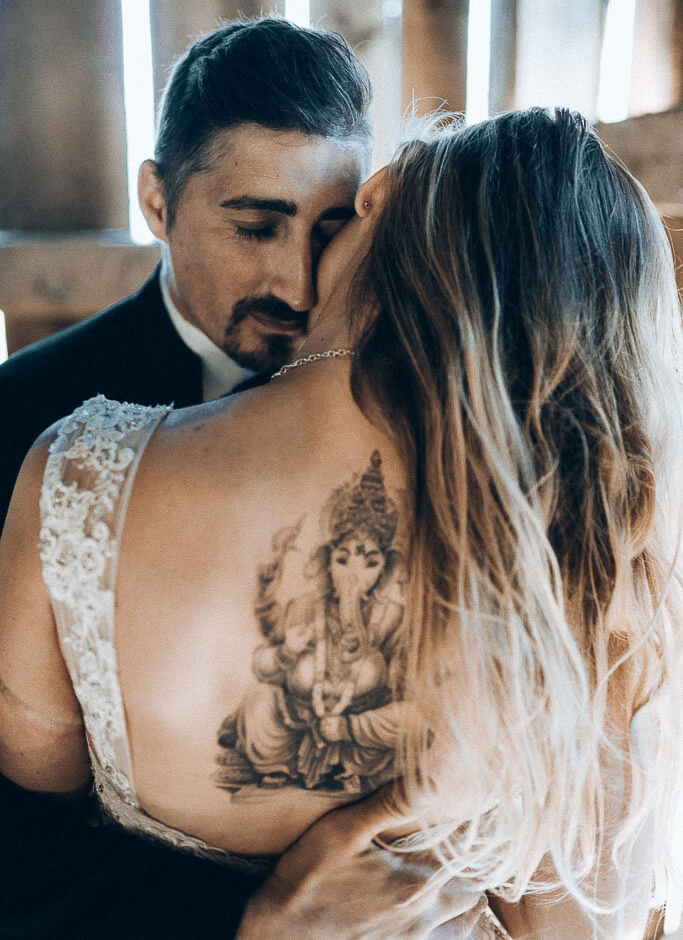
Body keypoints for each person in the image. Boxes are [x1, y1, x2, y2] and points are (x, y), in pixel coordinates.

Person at [1, 106, 679, 939]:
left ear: (379, 196)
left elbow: (37, 781)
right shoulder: (588, 556)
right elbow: (579, 923)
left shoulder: (79, 475)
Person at [0, 16, 485, 940]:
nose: (298, 285)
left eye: (330, 229)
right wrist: (265, 918)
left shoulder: (446, 421)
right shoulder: (25, 425)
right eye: (255, 225)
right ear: (155, 200)